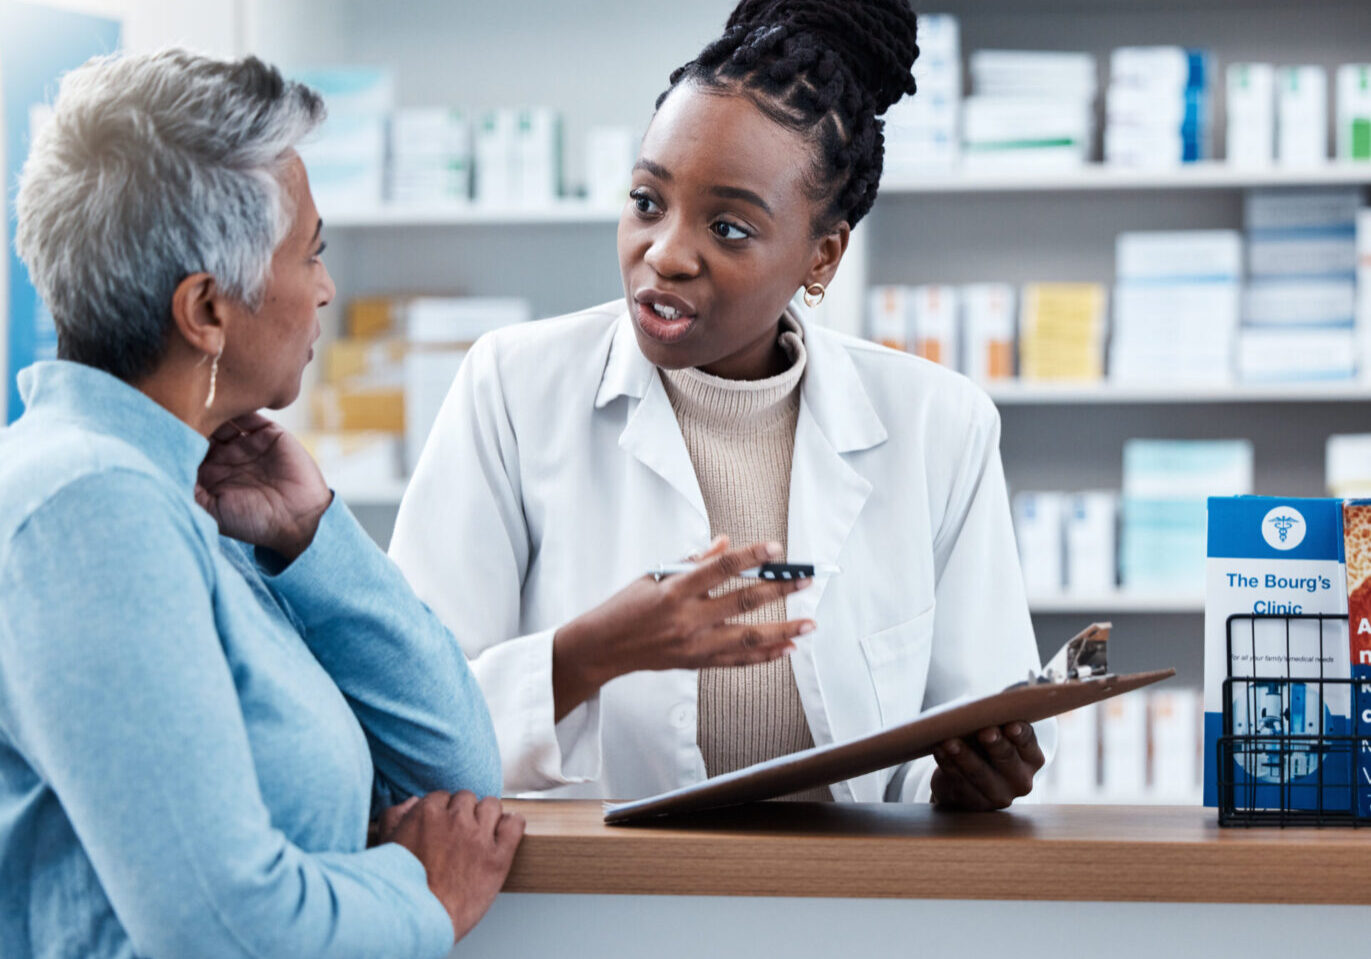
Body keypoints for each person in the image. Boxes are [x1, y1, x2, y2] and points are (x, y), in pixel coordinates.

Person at [391, 0, 1054, 808]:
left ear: (822, 254)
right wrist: (591, 653)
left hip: (846, 915)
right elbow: (409, 722)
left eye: (730, 228)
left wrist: (964, 779)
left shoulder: (936, 424)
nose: (664, 254)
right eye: (646, 201)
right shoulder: (514, 387)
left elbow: (963, 722)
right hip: (596, 911)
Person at [0, 50, 521, 959]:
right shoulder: (89, 505)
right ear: (205, 310)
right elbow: (222, 924)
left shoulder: (191, 494)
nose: (325, 285)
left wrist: (312, 535)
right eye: (311, 251)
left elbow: (455, 776)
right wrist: (419, 894)